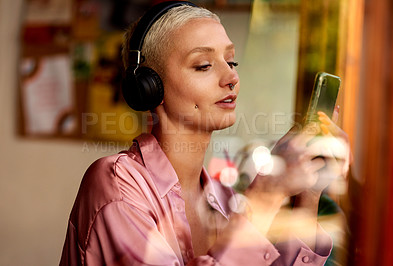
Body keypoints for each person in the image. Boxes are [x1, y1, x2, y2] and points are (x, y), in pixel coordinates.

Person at [60, 1, 350, 265]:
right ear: (150, 88)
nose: (232, 78)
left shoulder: (223, 200)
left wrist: (309, 195)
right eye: (204, 65)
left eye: (231, 62)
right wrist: (265, 195)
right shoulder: (116, 186)